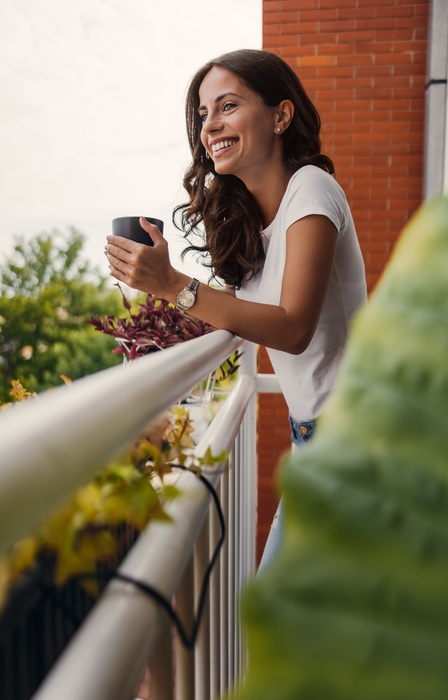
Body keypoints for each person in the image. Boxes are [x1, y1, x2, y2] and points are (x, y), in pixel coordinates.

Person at [105, 48, 367, 570]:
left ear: (280, 116)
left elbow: (292, 328)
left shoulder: (312, 191)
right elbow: (237, 317)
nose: (210, 126)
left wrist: (174, 283)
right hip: (318, 440)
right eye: (203, 114)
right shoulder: (253, 224)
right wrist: (157, 294)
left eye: (226, 106)